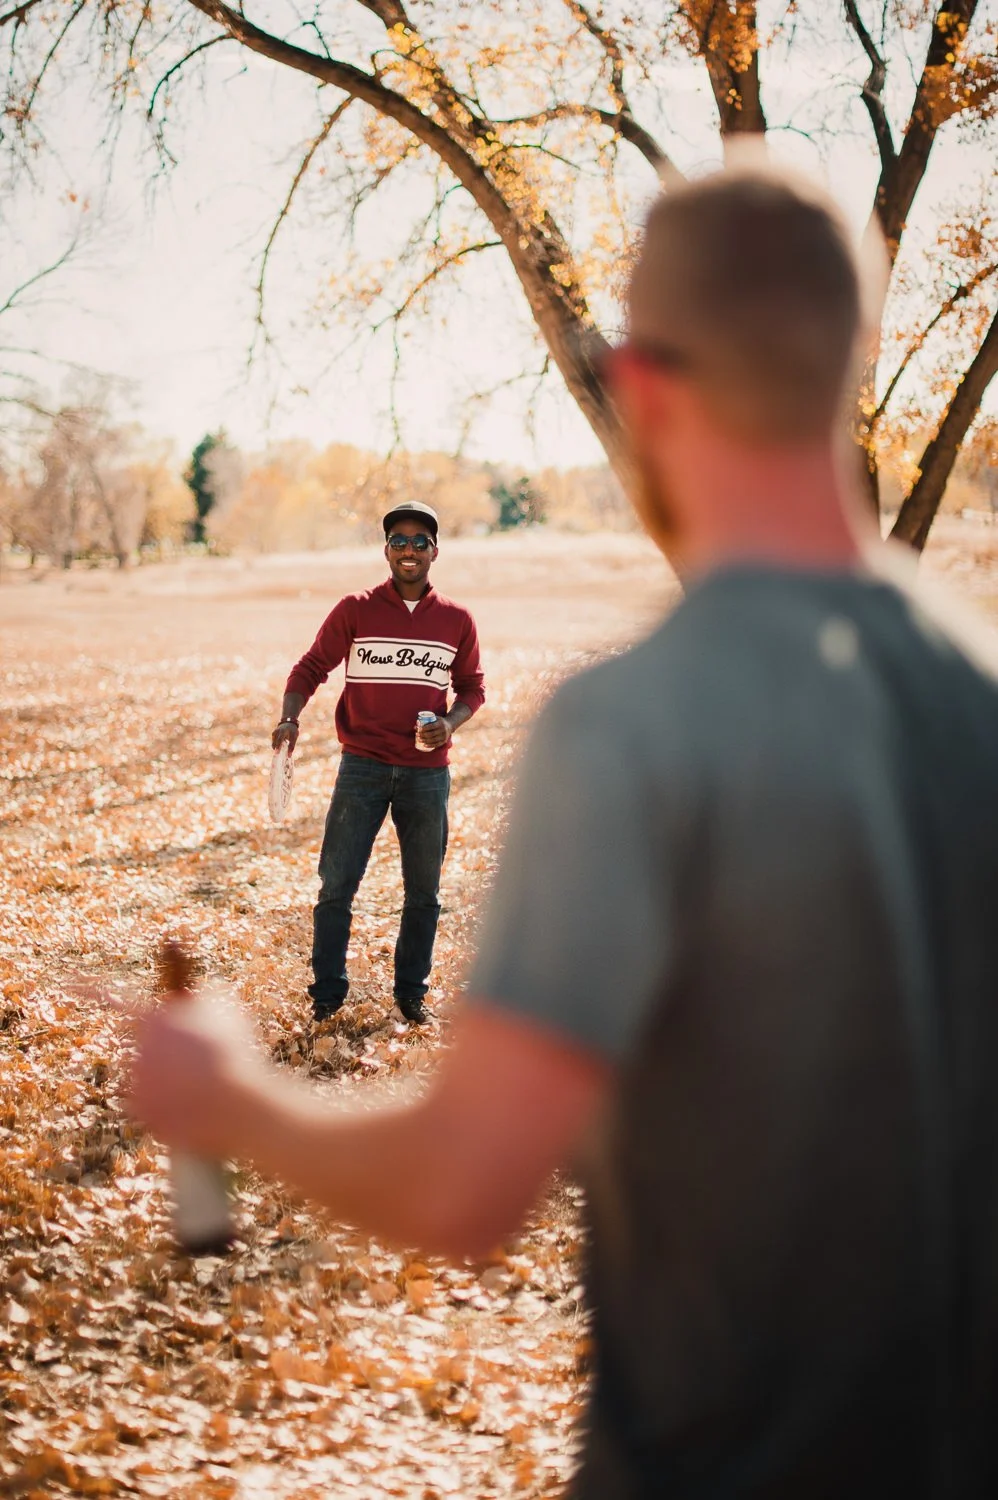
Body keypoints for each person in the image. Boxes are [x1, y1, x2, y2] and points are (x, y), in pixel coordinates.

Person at [129, 155, 998, 1496]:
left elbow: (464, 1188)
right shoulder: (977, 690)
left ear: (641, 386)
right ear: (851, 365)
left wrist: (229, 1096)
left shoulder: (632, 720)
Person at [273, 500, 485, 1025]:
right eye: (399, 541)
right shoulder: (356, 609)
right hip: (362, 766)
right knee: (336, 885)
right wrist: (289, 718)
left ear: (435, 551)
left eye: (420, 542)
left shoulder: (456, 620)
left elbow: (473, 688)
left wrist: (449, 725)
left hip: (426, 774)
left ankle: (412, 994)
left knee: (424, 892)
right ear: (385, 549)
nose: (409, 550)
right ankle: (326, 994)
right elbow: (311, 666)